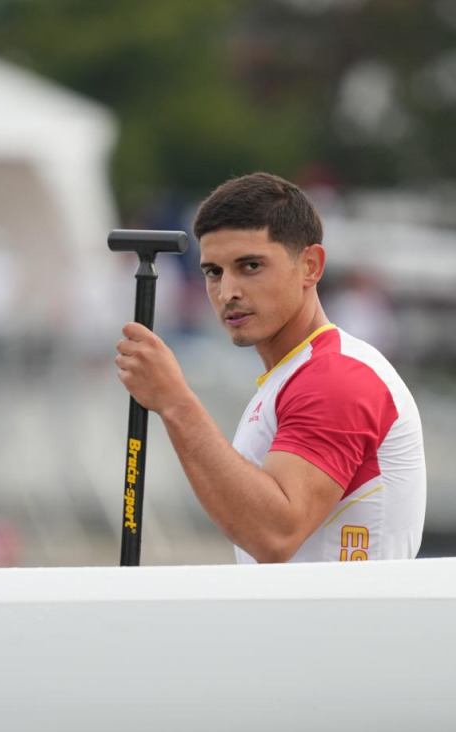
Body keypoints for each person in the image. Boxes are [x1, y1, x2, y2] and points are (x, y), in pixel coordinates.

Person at [115, 172, 426, 563]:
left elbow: (276, 534)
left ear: (311, 266)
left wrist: (175, 403)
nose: (227, 292)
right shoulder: (290, 376)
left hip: (346, 626)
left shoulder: (336, 376)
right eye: (213, 271)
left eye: (250, 266)